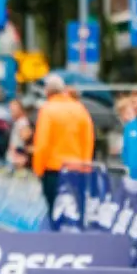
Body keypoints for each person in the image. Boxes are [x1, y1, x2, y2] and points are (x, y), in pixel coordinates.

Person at [32, 73, 95, 224]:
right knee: (75, 212)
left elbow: (42, 144)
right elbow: (88, 140)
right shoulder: (80, 109)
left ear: (47, 91)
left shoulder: (47, 110)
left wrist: (38, 169)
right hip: (77, 168)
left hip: (54, 169)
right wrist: (86, 165)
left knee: (55, 212)